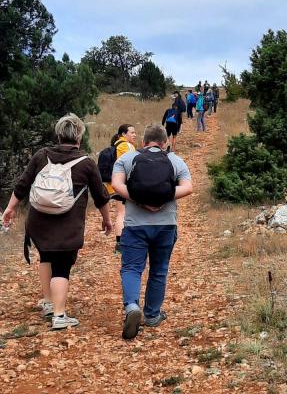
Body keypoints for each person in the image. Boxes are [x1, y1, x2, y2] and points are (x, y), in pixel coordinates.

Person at [1, 113, 112, 330]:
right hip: (68, 224)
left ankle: (49, 303)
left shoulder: (41, 155)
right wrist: (107, 220)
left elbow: (22, 185)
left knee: (46, 256)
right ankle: (60, 316)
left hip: (39, 221)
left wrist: (10, 208)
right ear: (79, 136)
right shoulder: (86, 163)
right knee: (62, 266)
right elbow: (101, 196)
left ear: (58, 135)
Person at [111, 122, 193, 341]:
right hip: (166, 225)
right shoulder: (175, 160)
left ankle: (131, 307)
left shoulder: (126, 159)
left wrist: (139, 199)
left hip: (135, 225)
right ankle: (153, 314)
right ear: (165, 142)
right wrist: (162, 198)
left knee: (131, 268)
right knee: (159, 269)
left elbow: (116, 184)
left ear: (143, 142)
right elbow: (188, 187)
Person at [100, 123, 137, 253]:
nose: (134, 135)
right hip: (124, 184)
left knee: (121, 213)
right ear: (123, 134)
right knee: (124, 213)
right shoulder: (127, 146)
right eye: (131, 132)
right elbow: (131, 166)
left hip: (113, 184)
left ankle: (121, 243)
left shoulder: (116, 145)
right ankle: (122, 244)